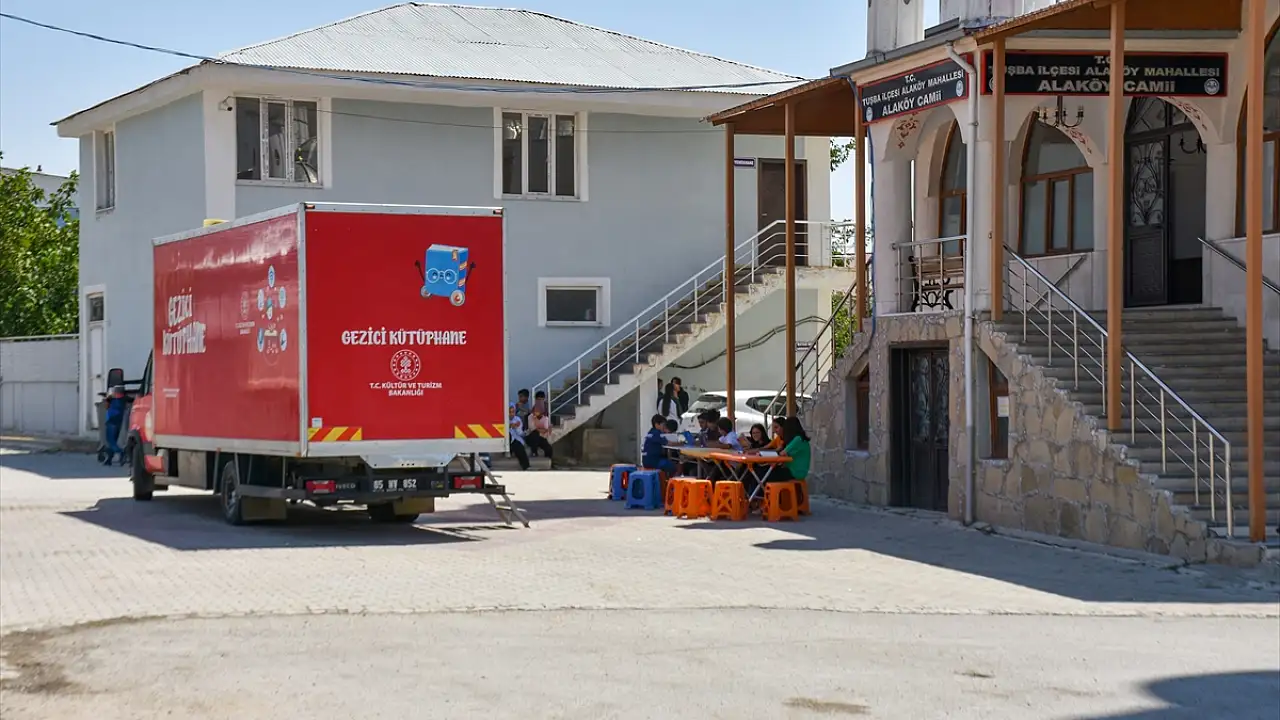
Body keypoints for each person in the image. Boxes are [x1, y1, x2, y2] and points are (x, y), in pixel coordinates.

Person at [102, 385, 129, 465]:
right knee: (113, 441)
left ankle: (121, 452)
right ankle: (109, 459)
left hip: (111, 422)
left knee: (110, 441)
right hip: (118, 423)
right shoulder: (123, 400)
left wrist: (107, 398)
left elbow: (106, 406)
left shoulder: (112, 400)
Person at [507, 403, 531, 471]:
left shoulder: (517, 419)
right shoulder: (503, 419)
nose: (511, 414)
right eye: (509, 412)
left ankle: (526, 466)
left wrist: (517, 427)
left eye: (513, 412)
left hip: (515, 440)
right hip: (506, 441)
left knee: (519, 446)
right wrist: (509, 426)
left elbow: (520, 433)